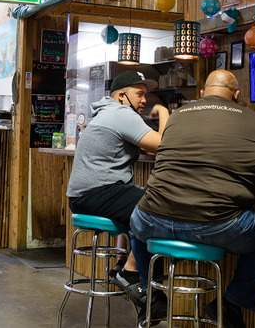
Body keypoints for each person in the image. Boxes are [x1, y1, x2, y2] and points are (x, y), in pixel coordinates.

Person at [130, 70, 255, 328]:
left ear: (202, 94)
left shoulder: (178, 115)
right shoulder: (253, 118)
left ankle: (154, 294)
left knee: (136, 223)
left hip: (152, 219)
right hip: (217, 225)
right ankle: (229, 305)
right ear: (236, 96)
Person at [65, 70, 169, 322]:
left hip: (87, 195)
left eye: (146, 95)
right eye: (140, 94)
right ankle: (132, 274)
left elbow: (147, 145)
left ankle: (139, 282)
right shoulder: (121, 113)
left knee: (147, 207)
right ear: (122, 96)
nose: (144, 100)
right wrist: (165, 113)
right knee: (159, 206)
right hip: (97, 192)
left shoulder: (109, 113)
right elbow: (167, 144)